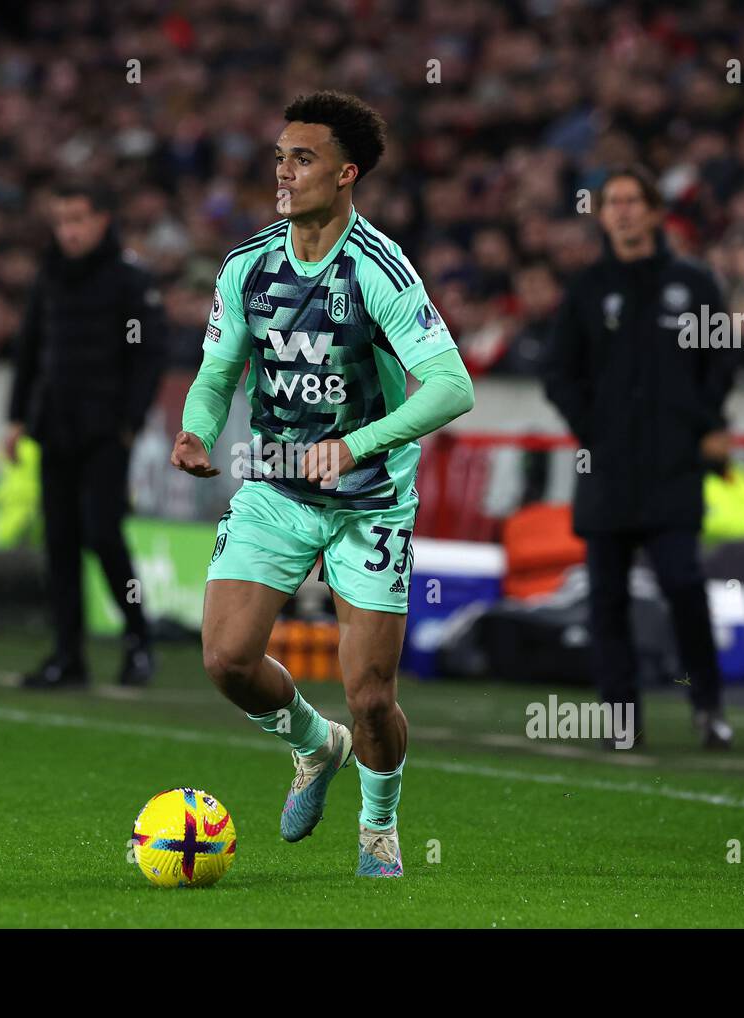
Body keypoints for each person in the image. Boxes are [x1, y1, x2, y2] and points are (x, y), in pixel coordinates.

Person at [170, 91, 475, 877]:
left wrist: (354, 446)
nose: (283, 171)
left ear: (346, 174)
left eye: (301, 159)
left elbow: (450, 385)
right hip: (277, 487)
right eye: (279, 156)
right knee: (226, 660)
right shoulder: (249, 264)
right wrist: (198, 428)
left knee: (371, 696)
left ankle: (379, 826)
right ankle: (314, 745)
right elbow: (217, 371)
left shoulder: (377, 268)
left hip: (369, 502)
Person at [542, 165, 736, 750]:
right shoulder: (587, 288)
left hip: (673, 467)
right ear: (603, 216)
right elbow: (559, 372)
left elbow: (720, 361)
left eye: (634, 200)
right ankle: (622, 720)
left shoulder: (694, 284)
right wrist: (591, 427)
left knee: (683, 584)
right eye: (613, 202)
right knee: (607, 597)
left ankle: (707, 706)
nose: (623, 211)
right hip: (607, 468)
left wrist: (702, 424)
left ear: (654, 212)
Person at [6, 183, 166, 689]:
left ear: (101, 220)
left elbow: (148, 356)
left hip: (105, 430)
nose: (69, 231)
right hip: (55, 424)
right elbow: (29, 348)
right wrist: (15, 419)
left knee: (102, 533)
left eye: (77, 219)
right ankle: (67, 655)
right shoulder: (48, 277)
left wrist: (130, 423)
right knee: (59, 541)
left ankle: (139, 637)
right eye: (61, 221)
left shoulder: (129, 279)